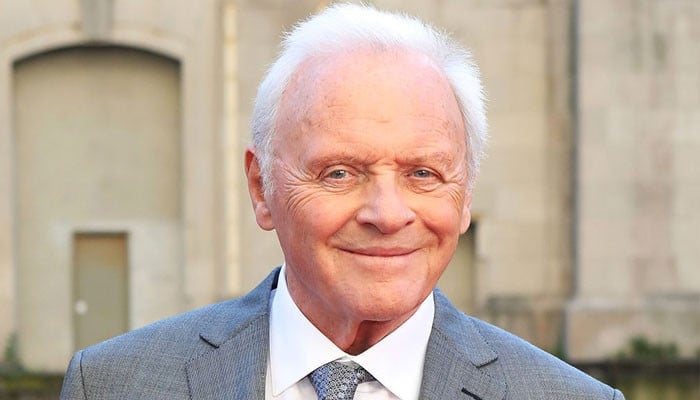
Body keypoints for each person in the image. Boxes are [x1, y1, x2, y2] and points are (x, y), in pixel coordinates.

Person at [60, 4, 625, 400]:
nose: (388, 214)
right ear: (261, 188)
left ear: (465, 194)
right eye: (339, 173)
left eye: (423, 173)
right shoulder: (114, 385)